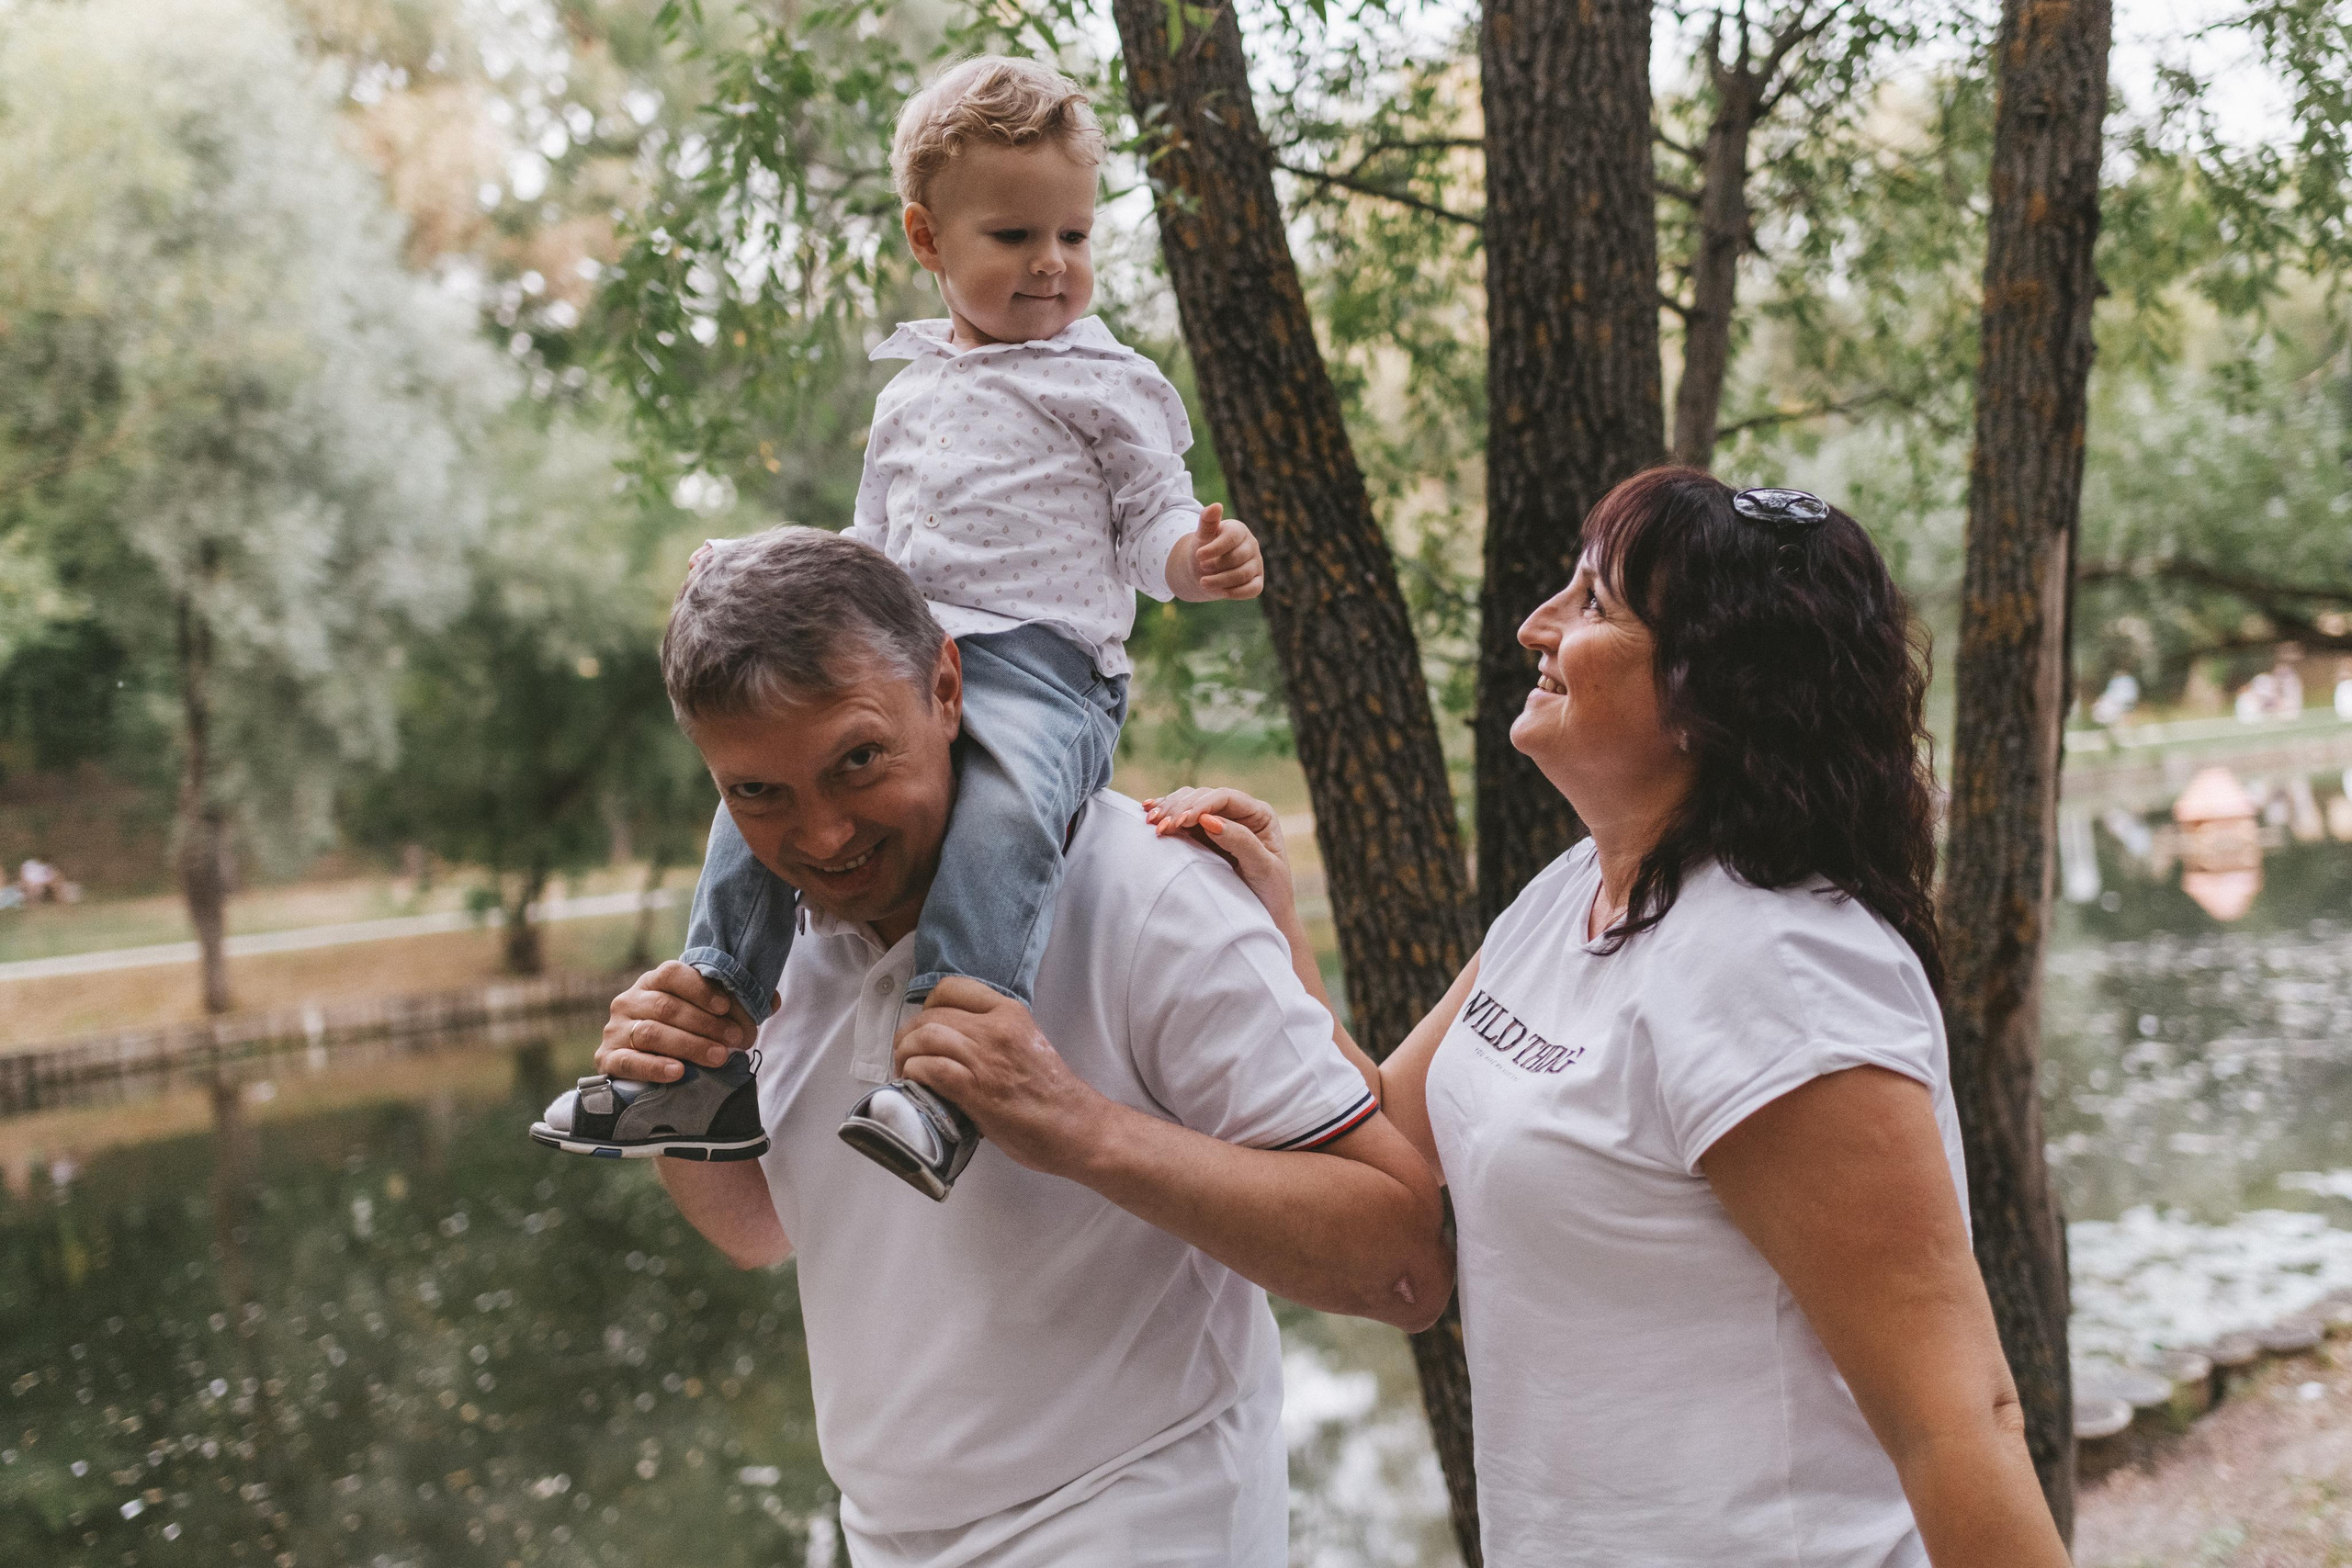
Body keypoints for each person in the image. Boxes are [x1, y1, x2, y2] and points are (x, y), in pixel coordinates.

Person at [1146, 468, 2069, 1566]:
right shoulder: (1573, 892)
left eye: (1590, 604)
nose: (1536, 624)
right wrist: (1272, 924)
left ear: (1710, 689)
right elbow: (1387, 1133)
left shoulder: (1781, 970)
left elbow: (1956, 1420)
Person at [543, 526, 1450, 1563]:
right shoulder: (766, 935)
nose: (825, 835)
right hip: (888, 1537)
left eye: (858, 761)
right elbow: (759, 1230)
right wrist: (680, 1090)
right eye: (758, 793)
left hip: (1140, 1518)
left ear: (944, 686)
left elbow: (1403, 1267)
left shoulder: (1152, 897)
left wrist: (1079, 1129)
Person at [534, 55, 1266, 1198]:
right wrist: (751, 578)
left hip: (1041, 663)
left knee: (1006, 808)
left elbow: (1152, 516)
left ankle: (948, 1064)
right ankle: (713, 1033)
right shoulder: (908, 391)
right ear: (929, 241)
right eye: (1015, 236)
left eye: (1073, 236)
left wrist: (1195, 559)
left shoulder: (1107, 381)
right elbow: (864, 559)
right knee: (759, 794)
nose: (1052, 264)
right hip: (904, 652)